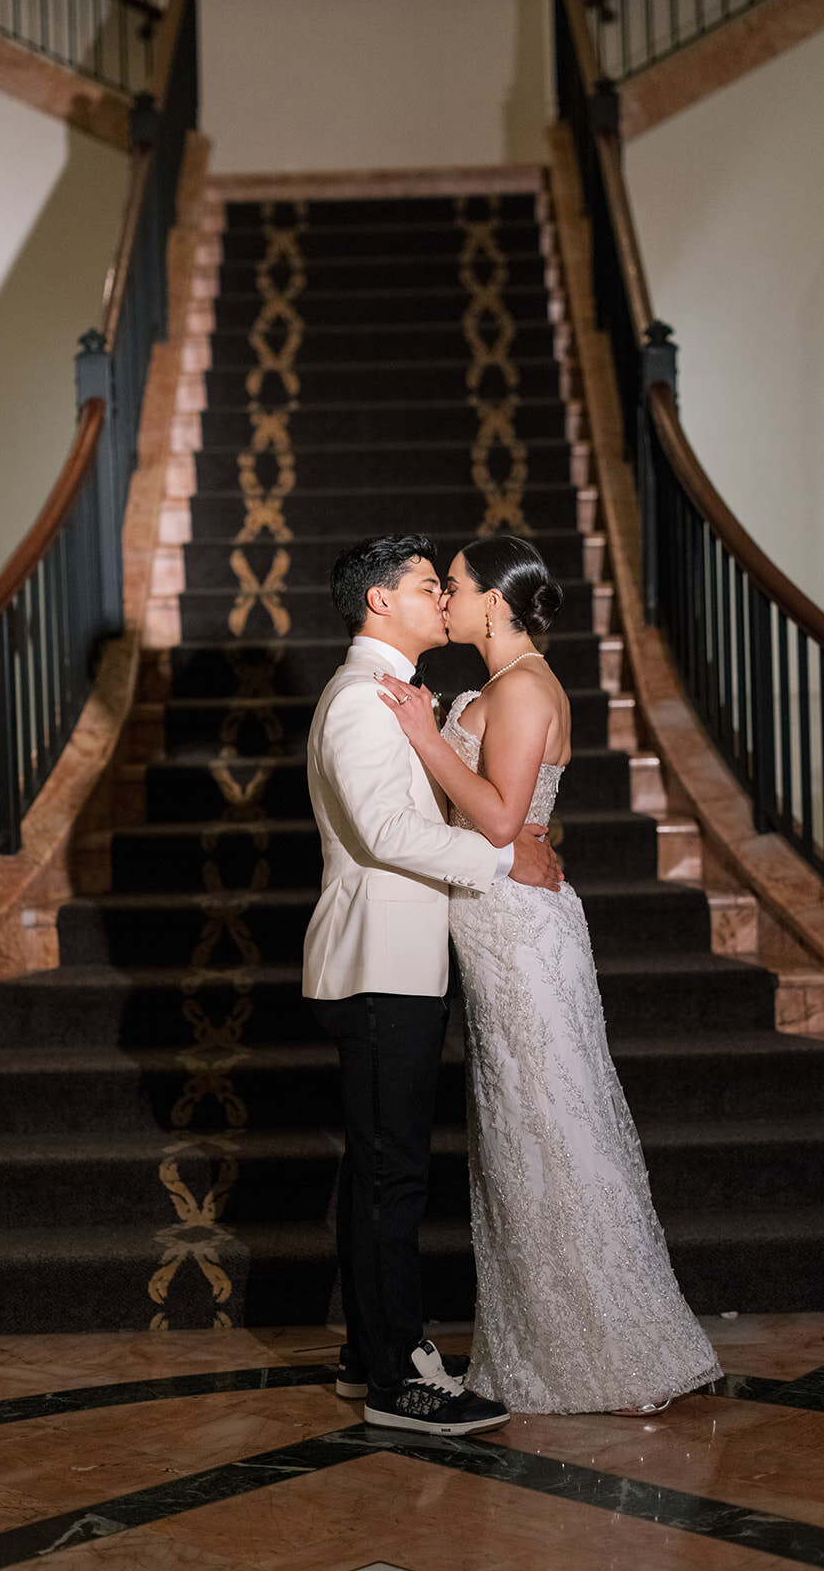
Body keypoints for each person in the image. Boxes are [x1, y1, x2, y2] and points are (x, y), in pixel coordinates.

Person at [379, 534, 721, 1416]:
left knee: (553, 1124)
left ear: (494, 600)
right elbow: (505, 817)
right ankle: (543, 1340)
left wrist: (423, 732)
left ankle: (603, 1346)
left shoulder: (525, 686)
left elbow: (497, 821)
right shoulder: (499, 687)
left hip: (523, 932)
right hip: (496, 922)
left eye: (453, 587)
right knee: (517, 1132)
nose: (444, 599)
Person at [303, 534, 564, 1436]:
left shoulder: (392, 697)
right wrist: (500, 859)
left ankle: (364, 1353)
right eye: (425, 586)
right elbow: (384, 832)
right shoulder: (359, 701)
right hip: (378, 963)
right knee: (393, 1174)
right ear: (380, 602)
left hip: (399, 961)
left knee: (382, 1167)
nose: (439, 600)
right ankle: (397, 1378)